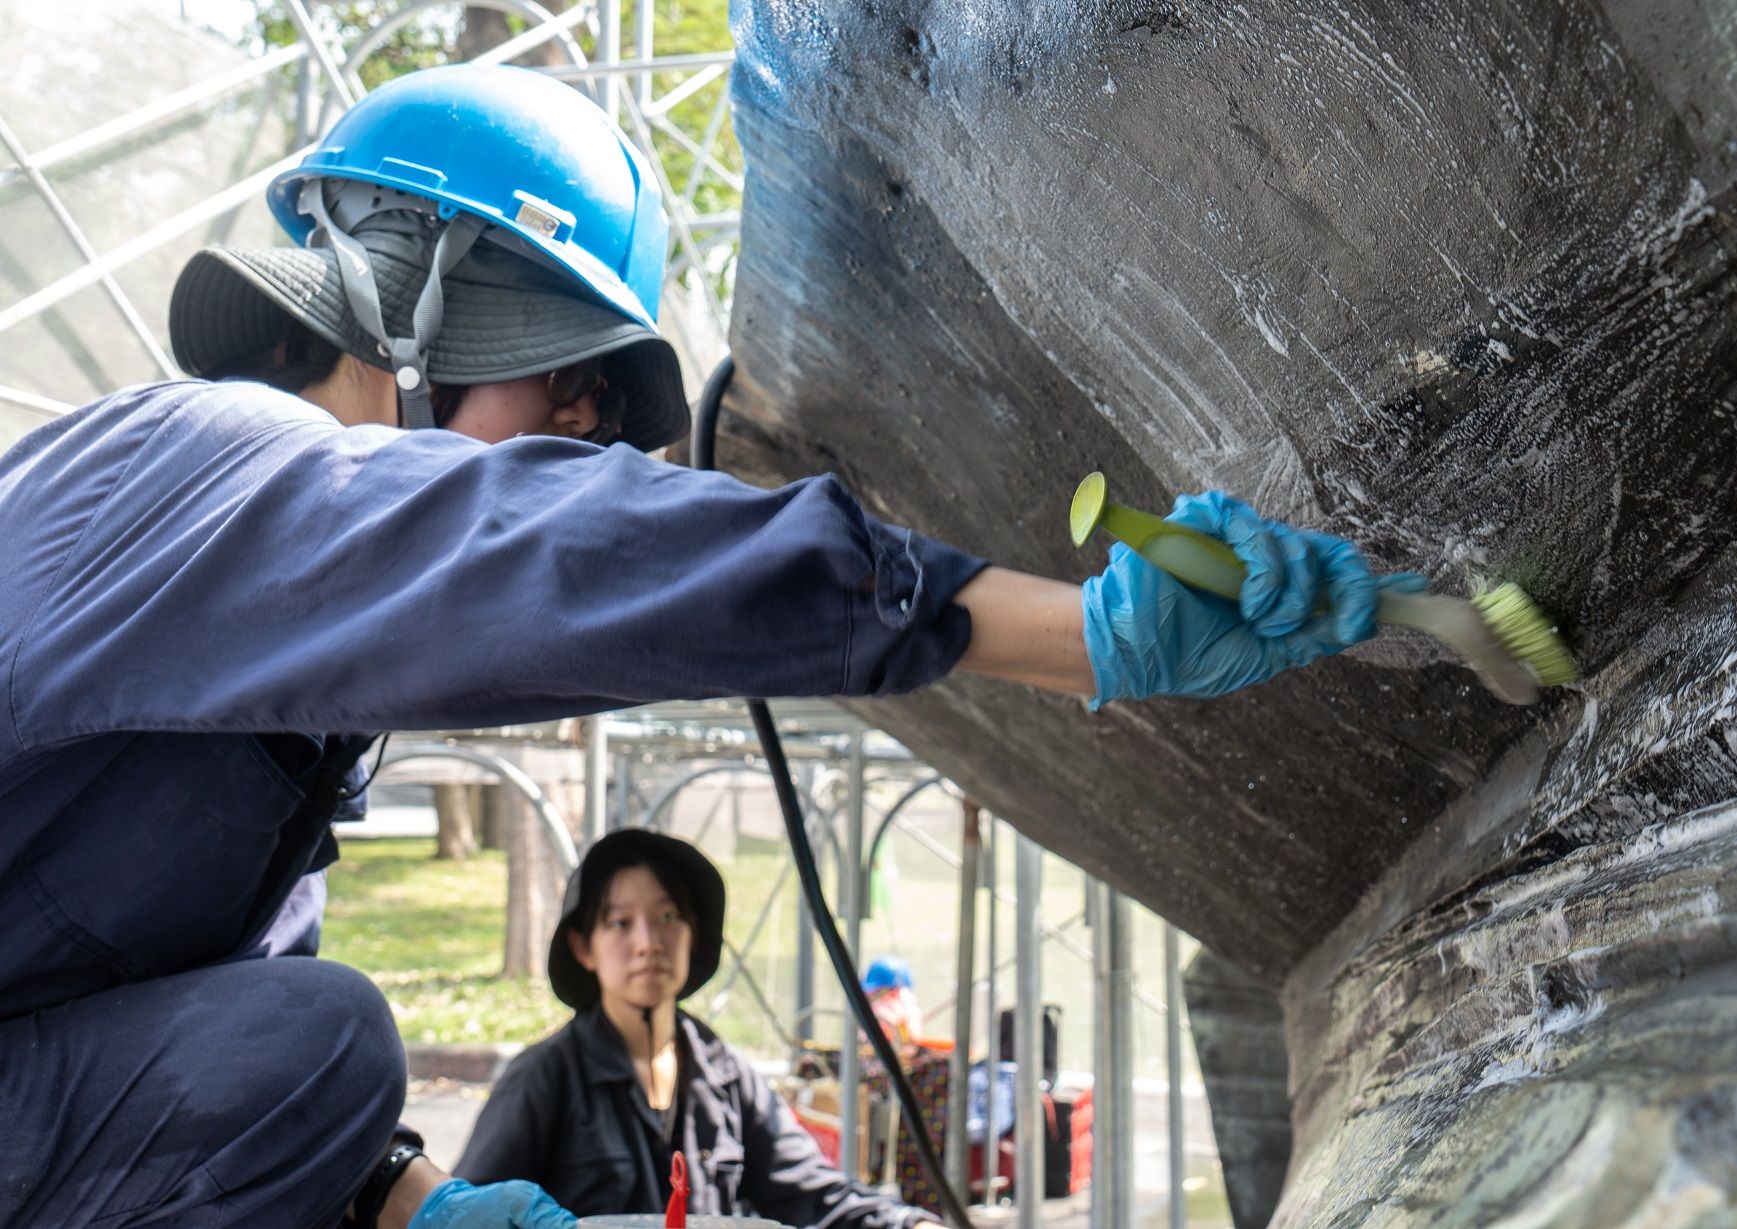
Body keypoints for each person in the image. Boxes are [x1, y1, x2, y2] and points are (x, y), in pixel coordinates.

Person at [0, 62, 1417, 1229]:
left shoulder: (275, 692)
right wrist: (1087, 628)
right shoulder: (216, 460)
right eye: (570, 388)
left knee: (300, 1038)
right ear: (430, 301)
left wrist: (425, 1205)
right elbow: (535, 551)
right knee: (329, 1037)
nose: (580, 443)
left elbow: (217, 1067)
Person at [454, 830, 935, 1226]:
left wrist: (909, 1225)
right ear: (583, 947)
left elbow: (810, 1193)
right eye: (620, 923)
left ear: (693, 932)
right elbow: (467, 1215)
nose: (648, 943)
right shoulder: (544, 1077)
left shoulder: (723, 1074)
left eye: (668, 916)